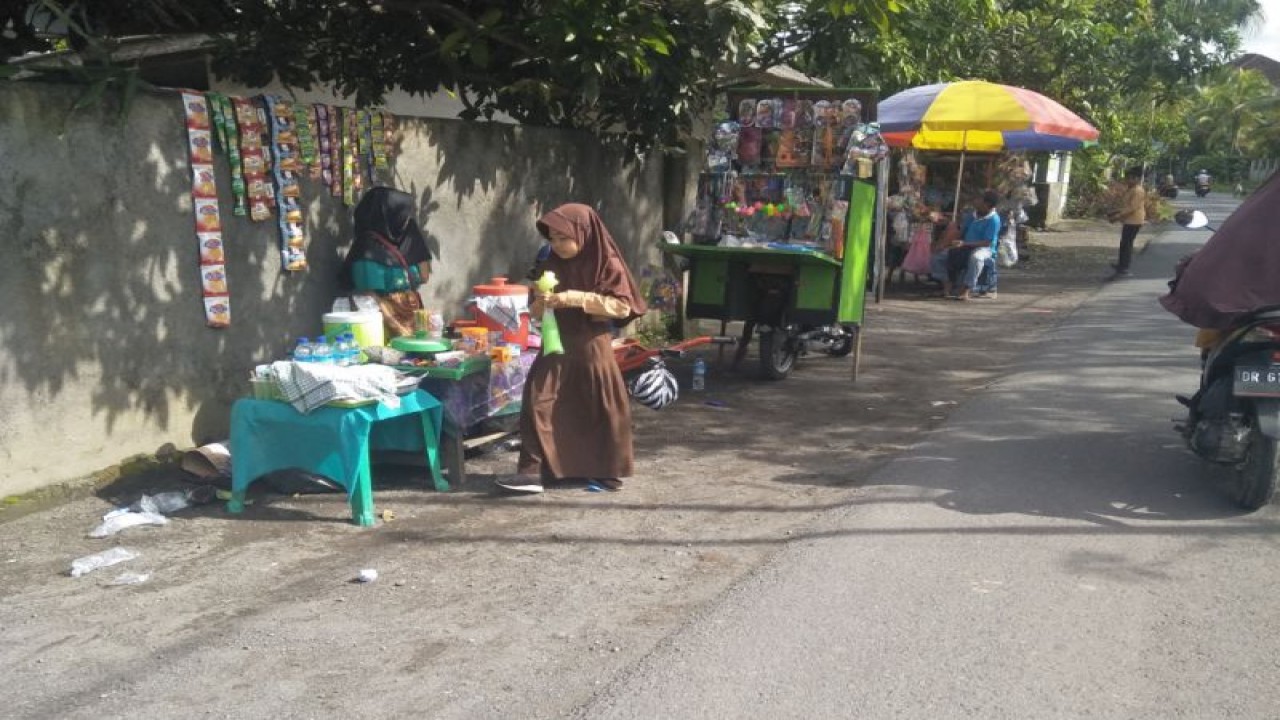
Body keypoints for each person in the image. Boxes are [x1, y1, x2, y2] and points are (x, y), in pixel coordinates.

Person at [496, 203, 648, 495]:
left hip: (591, 345)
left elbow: (621, 306)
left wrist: (575, 298)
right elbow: (537, 309)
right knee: (539, 401)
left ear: (583, 233)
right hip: (557, 342)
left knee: (596, 406)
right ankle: (533, 471)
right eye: (552, 238)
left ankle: (605, 470)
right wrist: (542, 302)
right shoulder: (551, 263)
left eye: (564, 238)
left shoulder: (607, 263)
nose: (557, 245)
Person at [340, 187, 439, 337]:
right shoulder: (367, 250)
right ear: (388, 215)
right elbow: (372, 298)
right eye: (403, 215)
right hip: (384, 324)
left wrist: (416, 241)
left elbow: (424, 276)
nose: (407, 219)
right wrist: (399, 328)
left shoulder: (406, 241)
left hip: (411, 320)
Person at [938, 190, 1002, 301]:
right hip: (966, 245)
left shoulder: (994, 219)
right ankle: (947, 286)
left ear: (986, 204)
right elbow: (961, 232)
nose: (975, 202)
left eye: (979, 200)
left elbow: (987, 242)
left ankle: (967, 288)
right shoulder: (972, 215)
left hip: (985, 249)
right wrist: (946, 243)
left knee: (976, 258)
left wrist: (965, 243)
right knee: (940, 256)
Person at [1107, 167, 1146, 278]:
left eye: (1129, 178)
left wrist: (1117, 217)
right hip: (1130, 220)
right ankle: (1122, 265)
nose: (1127, 181)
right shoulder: (1131, 189)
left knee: (1127, 244)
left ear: (1136, 179)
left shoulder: (1138, 191)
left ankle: (1124, 268)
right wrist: (1115, 212)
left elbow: (1132, 208)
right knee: (1124, 244)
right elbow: (1127, 205)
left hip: (1134, 221)